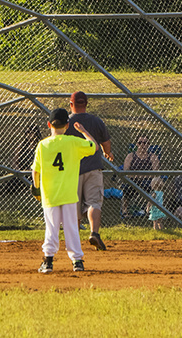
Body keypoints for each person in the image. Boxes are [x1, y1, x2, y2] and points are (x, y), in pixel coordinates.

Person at [32, 108, 97, 274]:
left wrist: (37, 188)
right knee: (71, 228)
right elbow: (94, 146)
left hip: (50, 195)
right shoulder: (72, 142)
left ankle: (48, 262)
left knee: (51, 227)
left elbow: (35, 170)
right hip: (68, 194)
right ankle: (77, 261)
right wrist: (83, 131)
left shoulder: (42, 145)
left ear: (49, 125)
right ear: (67, 126)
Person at [66, 91, 113, 251]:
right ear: (86, 104)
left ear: (71, 104)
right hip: (93, 167)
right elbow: (106, 142)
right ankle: (94, 233)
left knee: (74, 207)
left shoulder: (66, 122)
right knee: (94, 202)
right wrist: (108, 152)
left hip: (72, 170)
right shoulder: (96, 121)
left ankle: (75, 240)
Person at [121, 135, 160, 218]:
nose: (142, 145)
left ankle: (147, 210)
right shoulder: (130, 156)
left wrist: (138, 175)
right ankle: (125, 211)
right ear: (137, 144)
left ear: (149, 145)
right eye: (140, 142)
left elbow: (155, 173)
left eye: (145, 143)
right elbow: (126, 172)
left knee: (154, 188)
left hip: (148, 181)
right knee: (126, 187)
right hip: (132, 181)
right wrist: (143, 175)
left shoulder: (153, 157)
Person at [6, 125, 42, 194]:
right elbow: (14, 160)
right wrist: (18, 170)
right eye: (28, 132)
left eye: (32, 133)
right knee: (10, 185)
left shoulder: (40, 145)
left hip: (34, 172)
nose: (29, 135)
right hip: (21, 172)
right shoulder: (22, 146)